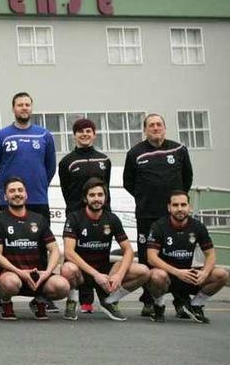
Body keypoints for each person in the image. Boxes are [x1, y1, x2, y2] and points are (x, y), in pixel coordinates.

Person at [0, 92, 57, 312]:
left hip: (38, 200)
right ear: (13, 108)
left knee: (40, 248)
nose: (24, 108)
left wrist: (39, 185)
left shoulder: (44, 135)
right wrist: (3, 192)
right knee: (4, 248)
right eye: (19, 105)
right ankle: (0, 295)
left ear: (31, 108)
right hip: (9, 203)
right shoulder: (1, 136)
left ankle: (42, 295)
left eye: (27, 104)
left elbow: (50, 167)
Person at [124, 113, 193, 317]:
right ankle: (149, 301)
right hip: (147, 215)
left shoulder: (179, 150)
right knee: (147, 258)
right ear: (145, 130)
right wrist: (146, 197)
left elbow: (187, 179)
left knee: (179, 258)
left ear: (164, 127)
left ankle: (182, 302)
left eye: (159, 124)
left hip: (174, 216)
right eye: (151, 125)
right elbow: (129, 183)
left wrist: (176, 205)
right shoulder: (135, 152)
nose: (155, 128)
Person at [59, 178, 150, 321]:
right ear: (85, 198)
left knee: (144, 271)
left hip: (105, 271)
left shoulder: (112, 219)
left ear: (105, 197)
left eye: (100, 195)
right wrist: (96, 274)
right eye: (92, 195)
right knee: (67, 268)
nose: (96, 199)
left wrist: (119, 275)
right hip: (82, 272)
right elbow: (69, 252)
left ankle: (111, 300)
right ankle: (72, 301)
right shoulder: (74, 218)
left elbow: (129, 250)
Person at [0, 178, 69, 321]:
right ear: (5, 196)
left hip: (37, 275)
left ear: (26, 194)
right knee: (9, 283)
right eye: (12, 191)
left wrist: (47, 273)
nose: (17, 194)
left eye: (20, 190)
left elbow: (55, 250)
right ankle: (6, 303)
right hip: (13, 274)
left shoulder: (39, 219)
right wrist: (20, 272)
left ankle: (40, 300)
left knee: (62, 286)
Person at [145, 191, 228, 324]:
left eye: (183, 205)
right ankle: (159, 307)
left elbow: (210, 254)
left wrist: (205, 272)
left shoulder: (198, 226)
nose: (179, 209)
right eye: (175, 205)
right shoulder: (159, 226)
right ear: (169, 207)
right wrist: (177, 272)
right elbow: (151, 257)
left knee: (222, 274)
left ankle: (194, 305)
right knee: (156, 276)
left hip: (188, 275)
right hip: (168, 277)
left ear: (189, 207)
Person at [57, 118, 112, 313]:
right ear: (74, 135)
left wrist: (107, 213)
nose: (85, 134)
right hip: (76, 216)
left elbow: (106, 190)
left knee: (99, 254)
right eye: (80, 131)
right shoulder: (67, 162)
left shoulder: (104, 160)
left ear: (94, 134)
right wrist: (75, 212)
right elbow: (66, 190)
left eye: (88, 131)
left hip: (101, 215)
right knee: (77, 258)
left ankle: (108, 298)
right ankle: (81, 300)